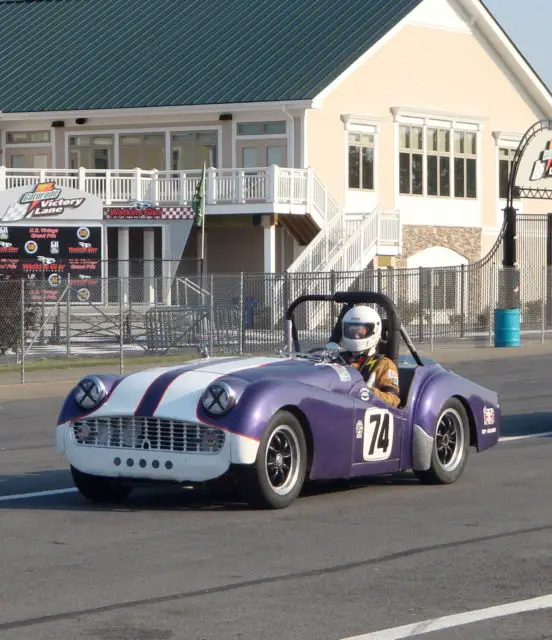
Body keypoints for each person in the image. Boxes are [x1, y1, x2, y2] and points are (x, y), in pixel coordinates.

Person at [328, 305, 400, 408]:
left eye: (360, 332)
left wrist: (366, 392)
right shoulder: (337, 359)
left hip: (365, 412)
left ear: (374, 330)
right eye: (352, 331)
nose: (356, 336)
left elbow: (393, 400)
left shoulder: (384, 364)